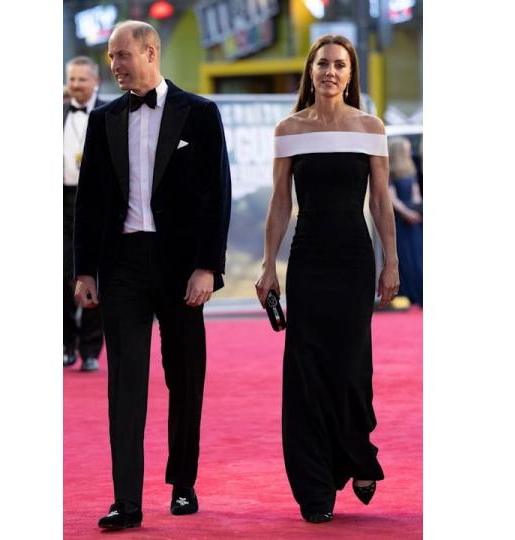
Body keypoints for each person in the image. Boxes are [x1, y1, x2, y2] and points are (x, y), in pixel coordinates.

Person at [73, 20, 231, 530]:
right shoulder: (104, 120)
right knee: (126, 385)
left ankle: (183, 483)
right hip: (122, 266)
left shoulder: (201, 114)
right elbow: (91, 203)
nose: (114, 65)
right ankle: (127, 500)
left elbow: (216, 196)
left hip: (183, 266)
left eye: (122, 55)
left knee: (185, 378)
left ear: (150, 50)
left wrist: (208, 266)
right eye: (110, 58)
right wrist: (84, 270)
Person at [255, 34, 399, 524]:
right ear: (310, 72)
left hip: (355, 260)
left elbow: (380, 201)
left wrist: (392, 262)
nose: (331, 72)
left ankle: (358, 454)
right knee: (306, 370)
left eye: (340, 65)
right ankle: (314, 485)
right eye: (323, 65)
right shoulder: (289, 129)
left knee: (352, 365)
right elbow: (280, 203)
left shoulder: (369, 127)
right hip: (309, 262)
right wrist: (267, 264)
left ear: (351, 72)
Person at [64, 56, 107, 371]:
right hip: (61, 201)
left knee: (94, 274)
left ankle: (91, 350)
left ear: (95, 81)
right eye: (72, 79)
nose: (76, 84)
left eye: (81, 79)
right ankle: (66, 344)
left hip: (97, 201)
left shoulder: (112, 113)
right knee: (61, 275)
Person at [387, 137, 423, 307]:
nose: (410, 152)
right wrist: (408, 212)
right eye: (407, 149)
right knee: (405, 258)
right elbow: (392, 199)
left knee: (418, 257)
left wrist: (417, 209)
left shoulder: (411, 169)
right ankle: (407, 295)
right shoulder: (391, 171)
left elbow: (416, 193)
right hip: (401, 222)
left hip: (415, 221)